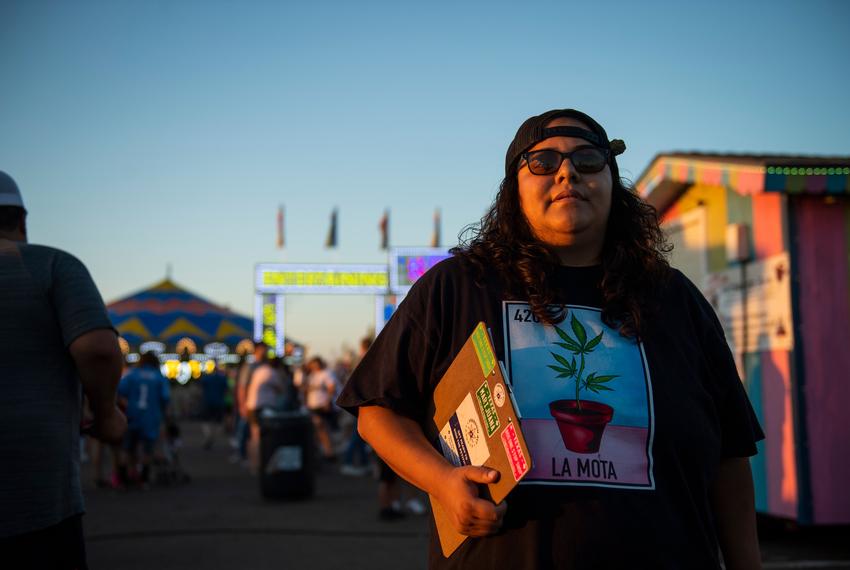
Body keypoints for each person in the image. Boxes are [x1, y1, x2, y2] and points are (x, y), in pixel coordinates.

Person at [337, 110, 764, 569]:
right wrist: (442, 481)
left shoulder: (675, 298)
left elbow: (729, 456)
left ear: (612, 182)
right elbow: (377, 411)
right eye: (542, 162)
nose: (567, 172)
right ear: (513, 191)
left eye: (588, 159)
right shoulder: (457, 286)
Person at [0, 170, 127, 568]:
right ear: (21, 219)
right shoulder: (51, 265)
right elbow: (99, 350)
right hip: (34, 496)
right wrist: (106, 414)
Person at [117, 351, 170, 488]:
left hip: (132, 415)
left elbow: (119, 391)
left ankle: (124, 478)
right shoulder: (158, 377)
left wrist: (127, 404)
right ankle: (144, 478)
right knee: (147, 449)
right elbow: (165, 398)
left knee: (127, 448)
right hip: (151, 417)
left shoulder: (132, 375)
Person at [245, 354, 286, 471]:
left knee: (254, 436)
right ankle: (264, 463)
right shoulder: (272, 373)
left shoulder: (259, 370)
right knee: (267, 436)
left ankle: (254, 464)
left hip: (252, 405)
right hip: (265, 407)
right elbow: (281, 389)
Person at [298, 356, 339, 461]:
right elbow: (304, 389)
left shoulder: (326, 373)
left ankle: (329, 452)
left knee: (322, 429)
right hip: (313, 406)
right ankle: (323, 452)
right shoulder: (311, 375)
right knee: (317, 431)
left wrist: (327, 401)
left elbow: (332, 388)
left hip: (322, 405)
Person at [200, 362, 229, 449]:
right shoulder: (223, 378)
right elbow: (226, 390)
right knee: (218, 422)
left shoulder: (207, 378)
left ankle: (208, 435)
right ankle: (213, 437)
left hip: (208, 402)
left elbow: (202, 388)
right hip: (219, 402)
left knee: (205, 421)